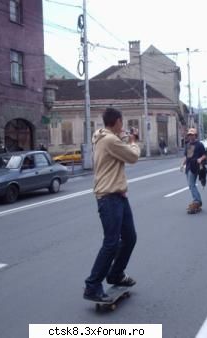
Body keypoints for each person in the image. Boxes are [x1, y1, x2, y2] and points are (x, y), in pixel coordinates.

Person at [83, 107, 140, 302]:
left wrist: (124, 138)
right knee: (111, 243)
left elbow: (117, 146)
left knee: (130, 237)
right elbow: (132, 156)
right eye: (122, 122)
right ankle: (92, 286)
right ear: (116, 121)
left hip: (118, 196)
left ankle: (115, 274)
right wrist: (133, 142)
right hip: (109, 198)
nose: (123, 126)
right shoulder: (108, 140)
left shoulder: (105, 137)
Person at [180, 128, 206, 213]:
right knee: (191, 185)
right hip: (188, 166)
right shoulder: (187, 145)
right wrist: (182, 164)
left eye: (192, 135)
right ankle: (197, 201)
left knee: (191, 184)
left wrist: (200, 159)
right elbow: (186, 156)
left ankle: (197, 201)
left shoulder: (199, 144)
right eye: (189, 135)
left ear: (195, 135)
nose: (190, 136)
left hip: (195, 166)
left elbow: (205, 155)